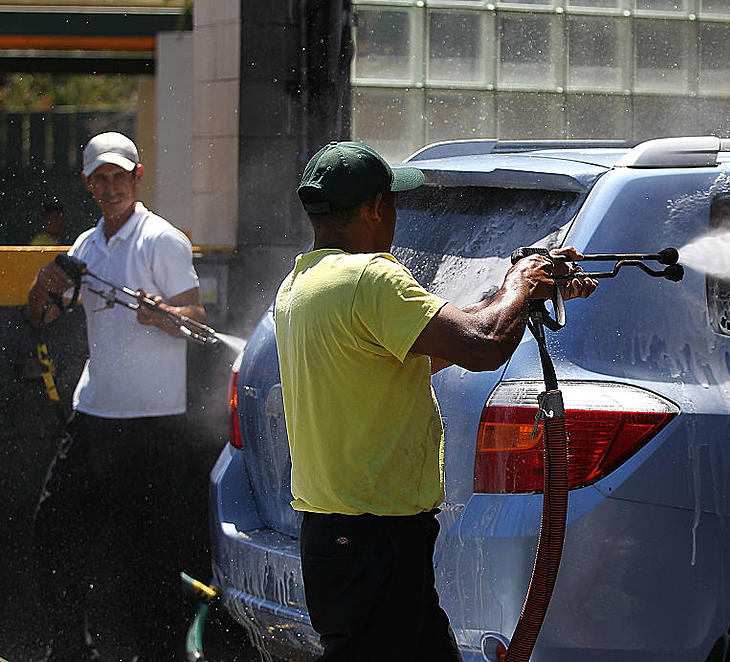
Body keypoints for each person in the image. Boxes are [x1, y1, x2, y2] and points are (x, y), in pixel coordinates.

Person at [274, 141, 598, 662]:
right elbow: (482, 345)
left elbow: (431, 348)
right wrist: (519, 282)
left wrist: (521, 296)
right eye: (395, 204)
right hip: (374, 546)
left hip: (343, 544)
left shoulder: (303, 284)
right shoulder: (370, 276)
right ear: (377, 207)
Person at [26, 131, 206, 661]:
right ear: (87, 184)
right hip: (93, 416)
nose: (110, 188)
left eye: (119, 177)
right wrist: (42, 286)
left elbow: (199, 321)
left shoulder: (163, 240)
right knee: (52, 533)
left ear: (137, 177)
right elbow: (43, 316)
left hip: (151, 425)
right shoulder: (86, 246)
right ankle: (70, 651)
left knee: (147, 557)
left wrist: (165, 315)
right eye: (100, 179)